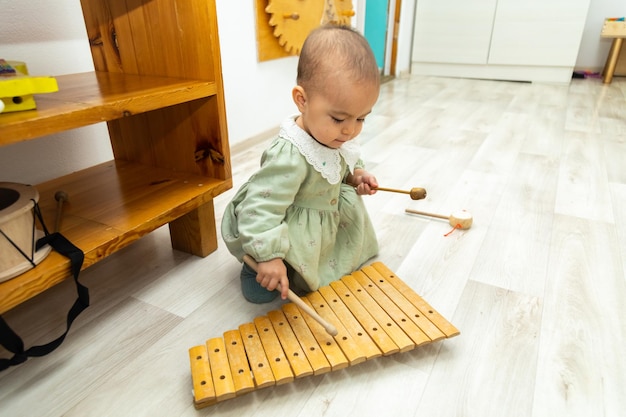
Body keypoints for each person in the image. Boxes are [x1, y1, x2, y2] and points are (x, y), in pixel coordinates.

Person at [221, 24, 380, 303]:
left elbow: (343, 164)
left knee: (338, 268)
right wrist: (269, 257)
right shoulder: (290, 156)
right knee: (264, 292)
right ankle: (255, 263)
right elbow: (261, 209)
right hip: (279, 223)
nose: (350, 131)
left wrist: (357, 176)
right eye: (340, 119)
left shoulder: (336, 137)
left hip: (323, 225)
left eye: (361, 118)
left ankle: (317, 261)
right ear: (302, 100)